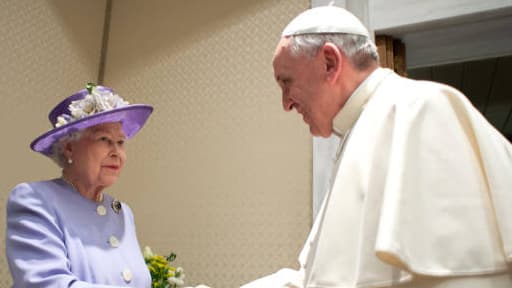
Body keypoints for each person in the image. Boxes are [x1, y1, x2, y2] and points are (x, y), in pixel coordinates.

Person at [242, 5, 512, 288]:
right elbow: (319, 279)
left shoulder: (420, 110)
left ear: (330, 63)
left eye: (287, 83)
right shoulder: (357, 132)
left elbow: (463, 271)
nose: (286, 103)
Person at [5, 83, 153, 287]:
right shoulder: (35, 199)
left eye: (120, 142)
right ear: (69, 148)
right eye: (104, 139)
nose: (116, 152)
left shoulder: (122, 212)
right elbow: (46, 284)